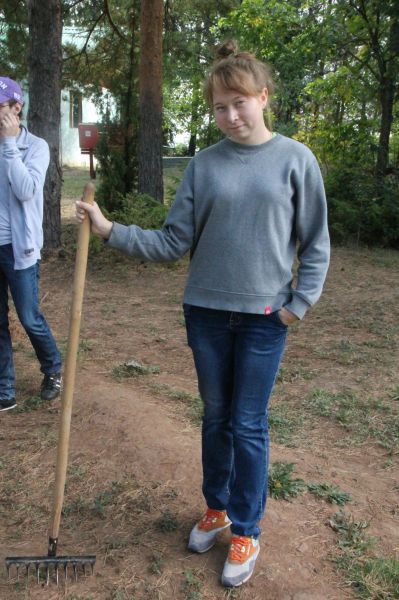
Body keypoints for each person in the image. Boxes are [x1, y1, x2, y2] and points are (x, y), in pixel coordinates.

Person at [76, 40, 330, 587]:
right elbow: (173, 242)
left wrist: (296, 306)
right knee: (216, 419)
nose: (231, 115)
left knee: (248, 423)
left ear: (263, 97)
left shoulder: (295, 159)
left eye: (240, 102)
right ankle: (216, 507)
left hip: (265, 319)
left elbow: (316, 242)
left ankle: (247, 527)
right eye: (220, 106)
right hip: (206, 316)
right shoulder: (203, 165)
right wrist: (109, 229)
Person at [0, 77, 62, 412]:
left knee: (28, 315)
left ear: (16, 108)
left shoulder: (35, 146)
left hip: (18, 246)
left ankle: (53, 369)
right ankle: (4, 386)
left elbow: (26, 191)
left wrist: (9, 146)